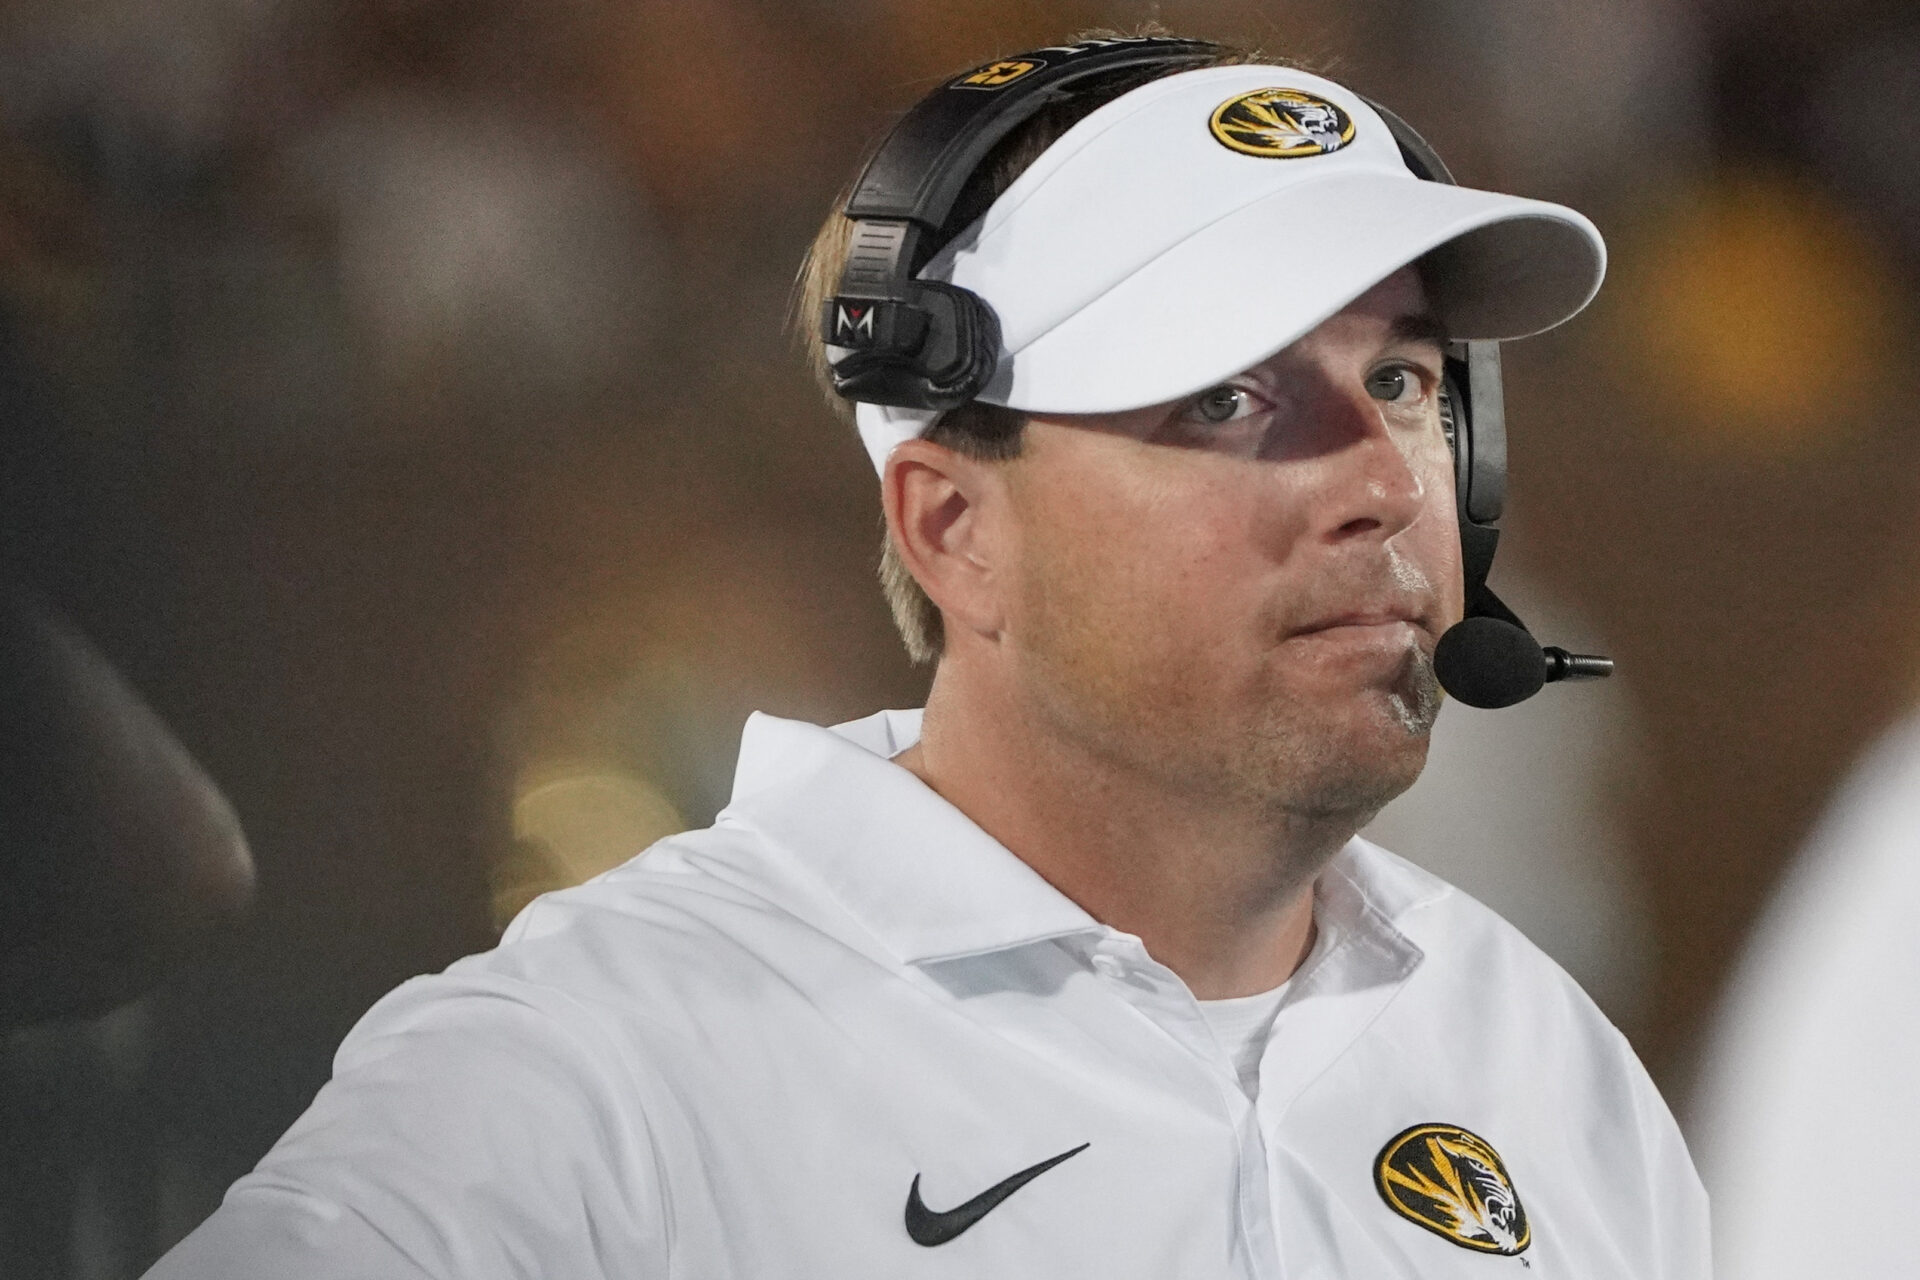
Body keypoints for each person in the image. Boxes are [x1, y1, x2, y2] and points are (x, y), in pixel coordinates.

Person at [146, 35, 1709, 1279]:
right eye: (1228, 397)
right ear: (956, 529)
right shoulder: (581, 1072)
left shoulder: (1537, 1061)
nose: (1383, 479)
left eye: (1409, 379)